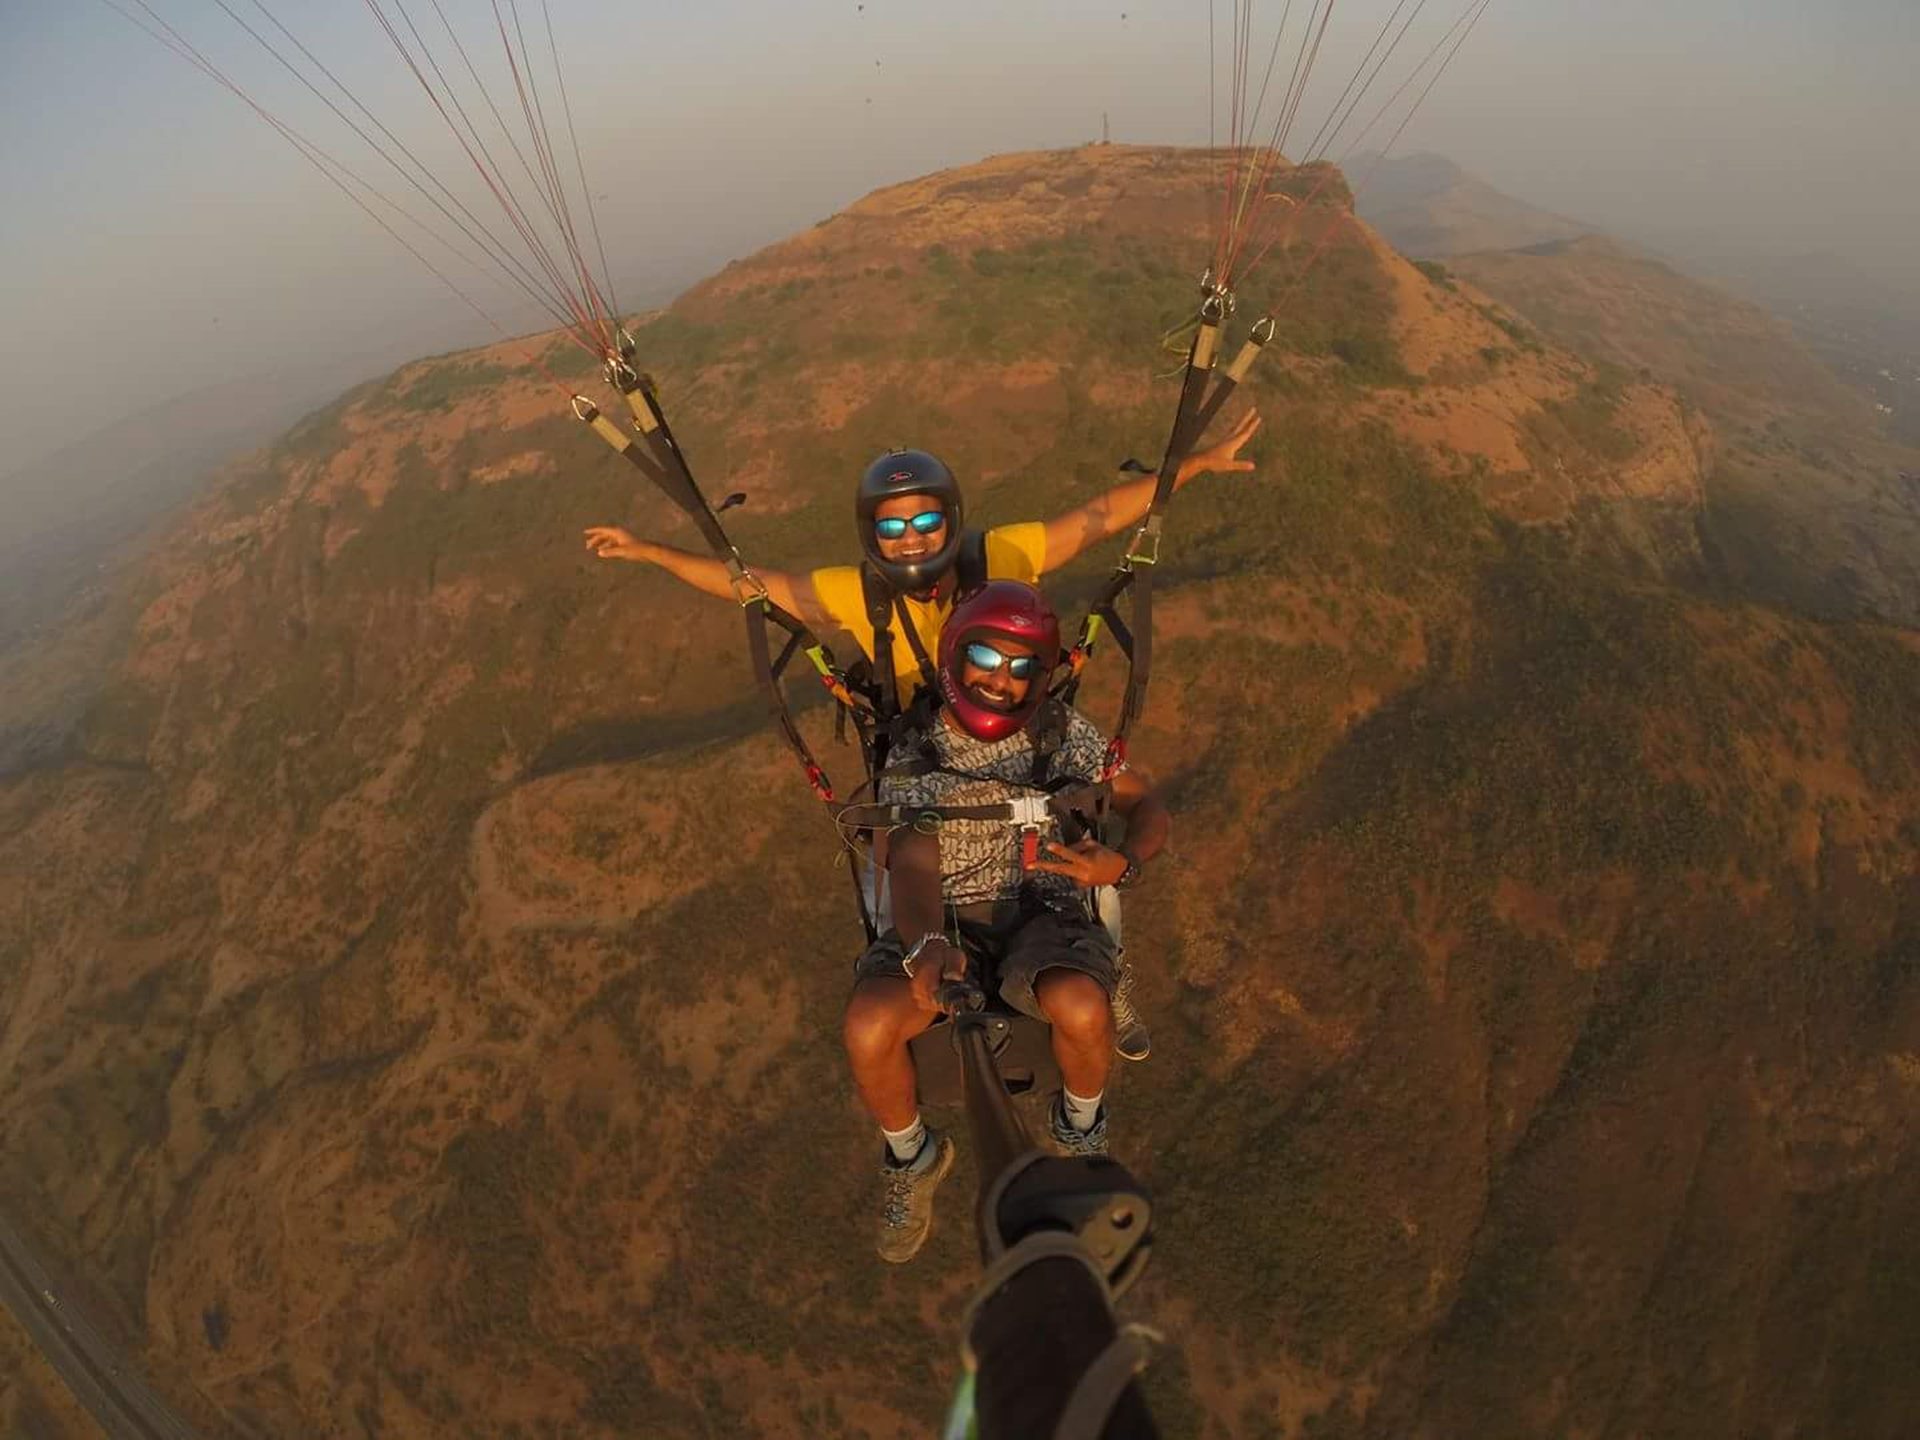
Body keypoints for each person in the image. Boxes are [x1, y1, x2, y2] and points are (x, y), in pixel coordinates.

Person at [584, 415, 1253, 1059]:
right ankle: (913, 965)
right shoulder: (859, 593)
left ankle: (1105, 969)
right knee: (901, 870)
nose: (911, 539)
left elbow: (1099, 517)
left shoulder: (1001, 554)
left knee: (1076, 839)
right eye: (894, 526)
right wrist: (649, 552)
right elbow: (753, 588)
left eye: (927, 521)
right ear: (872, 534)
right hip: (920, 753)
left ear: (951, 521)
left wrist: (1194, 465)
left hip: (1020, 729)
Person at [839, 580, 1170, 1262]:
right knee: (869, 1024)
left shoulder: (1063, 737)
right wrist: (929, 947)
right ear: (955, 660)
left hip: (1041, 907)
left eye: (1022, 669)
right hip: (942, 916)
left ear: (1041, 677)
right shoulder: (918, 751)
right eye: (986, 659)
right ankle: (911, 1155)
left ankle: (1080, 1127)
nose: (1001, 681)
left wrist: (1123, 866)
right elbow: (914, 859)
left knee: (1081, 1005)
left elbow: (1147, 805)